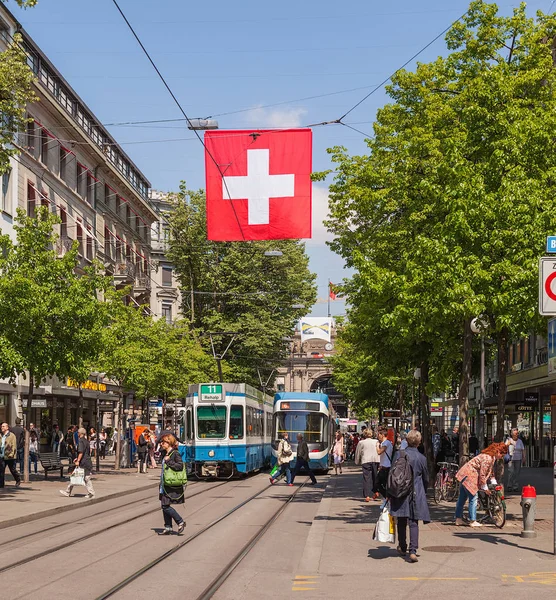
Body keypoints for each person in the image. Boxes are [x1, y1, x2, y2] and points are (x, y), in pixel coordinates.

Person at [390, 430, 430, 563]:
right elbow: (426, 478)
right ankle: (413, 550)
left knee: (401, 520)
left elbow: (392, 473)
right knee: (414, 521)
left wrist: (389, 492)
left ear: (406, 440)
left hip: (401, 491)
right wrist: (423, 490)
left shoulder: (399, 454)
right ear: (419, 442)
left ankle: (402, 546)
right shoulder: (422, 458)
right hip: (416, 491)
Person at [454, 442, 507, 527]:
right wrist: (485, 487)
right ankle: (473, 520)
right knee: (473, 498)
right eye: (502, 454)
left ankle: (458, 519)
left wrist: (493, 480)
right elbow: (482, 474)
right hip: (470, 476)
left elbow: (489, 471)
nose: (501, 457)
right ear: (497, 451)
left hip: (464, 474)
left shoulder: (489, 456)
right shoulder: (488, 458)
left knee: (462, 498)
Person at [158, 434, 186, 535]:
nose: (161, 444)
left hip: (171, 484)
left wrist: (168, 461)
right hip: (164, 484)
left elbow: (179, 466)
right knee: (164, 505)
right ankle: (168, 526)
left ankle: (180, 521)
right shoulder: (166, 453)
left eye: (163, 442)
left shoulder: (175, 454)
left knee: (165, 506)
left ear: (169, 443)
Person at [60, 427, 95, 498]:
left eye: (78, 432)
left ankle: (68, 492)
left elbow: (81, 452)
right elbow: (87, 452)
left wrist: (78, 460)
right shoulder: (86, 441)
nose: (77, 433)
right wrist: (77, 458)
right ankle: (91, 493)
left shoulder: (81, 441)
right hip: (87, 461)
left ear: (80, 433)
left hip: (83, 462)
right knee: (86, 477)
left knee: (75, 476)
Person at [355, 428, 380, 501]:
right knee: (375, 477)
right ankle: (376, 491)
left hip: (366, 460)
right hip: (375, 460)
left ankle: (367, 495)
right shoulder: (376, 441)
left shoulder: (361, 442)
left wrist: (357, 461)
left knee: (367, 478)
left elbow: (358, 452)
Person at [0, 422, 21, 488]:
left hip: (9, 456)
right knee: (1, 470)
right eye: (1, 426)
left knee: (12, 469)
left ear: (7, 427)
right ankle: (1, 484)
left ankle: (18, 479)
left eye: (3, 426)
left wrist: (11, 454)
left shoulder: (11, 435)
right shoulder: (0, 435)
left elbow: (14, 445)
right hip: (2, 455)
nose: (2, 427)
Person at [505, 428, 525, 492]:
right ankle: (509, 486)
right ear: (512, 434)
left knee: (517, 473)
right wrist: (508, 443)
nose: (516, 435)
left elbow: (523, 450)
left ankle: (515, 486)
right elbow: (504, 447)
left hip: (518, 459)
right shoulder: (509, 440)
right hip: (510, 459)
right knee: (511, 472)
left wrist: (524, 457)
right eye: (514, 434)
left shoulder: (520, 441)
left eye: (517, 434)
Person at [376, 426, 393, 497]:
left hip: (386, 467)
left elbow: (379, 452)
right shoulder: (385, 443)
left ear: (382, 435)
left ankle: (388, 498)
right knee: (379, 484)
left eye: (379, 435)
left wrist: (377, 446)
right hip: (383, 466)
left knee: (380, 484)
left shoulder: (386, 443)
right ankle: (387, 498)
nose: (378, 436)